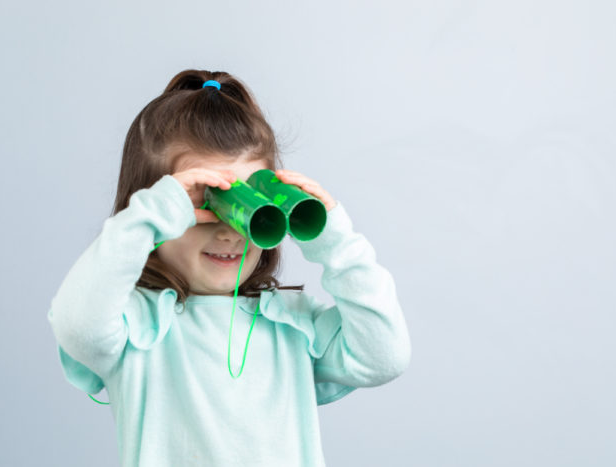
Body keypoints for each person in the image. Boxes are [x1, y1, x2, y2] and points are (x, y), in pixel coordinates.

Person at [47, 68, 411, 466]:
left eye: (251, 205)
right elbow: (77, 327)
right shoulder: (138, 327)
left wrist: (334, 238)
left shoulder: (291, 325)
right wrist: (148, 217)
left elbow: (384, 356)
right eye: (208, 202)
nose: (230, 231)